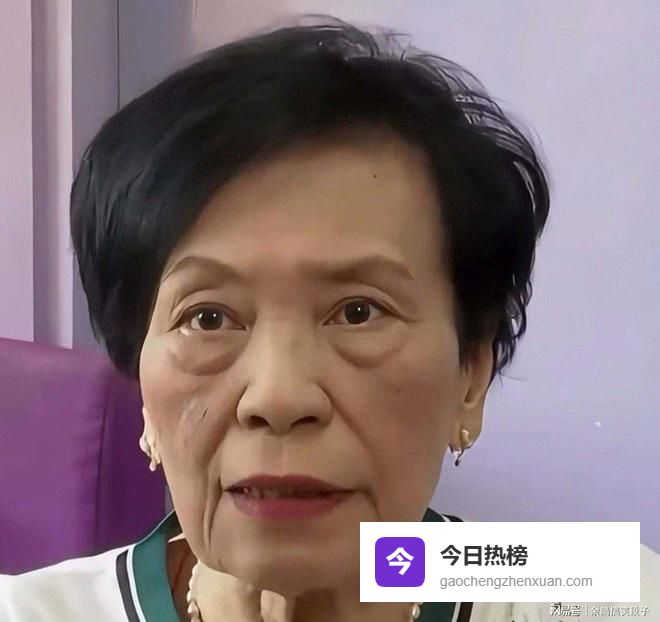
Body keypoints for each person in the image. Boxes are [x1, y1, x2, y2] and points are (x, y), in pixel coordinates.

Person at [1, 15, 658, 622]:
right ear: (144, 393)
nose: (278, 398)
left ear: (471, 376)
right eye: (209, 318)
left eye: (358, 311)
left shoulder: (604, 591)